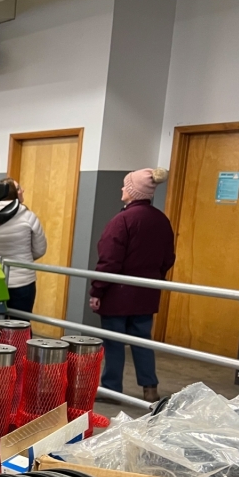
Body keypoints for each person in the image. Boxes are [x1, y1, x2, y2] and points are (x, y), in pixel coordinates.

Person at [89, 167, 176, 403]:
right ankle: (150, 388)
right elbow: (168, 258)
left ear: (132, 191)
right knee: (142, 341)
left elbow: (109, 260)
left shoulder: (122, 220)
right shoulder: (161, 220)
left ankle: (112, 389)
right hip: (147, 294)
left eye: (124, 186)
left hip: (117, 295)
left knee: (114, 343)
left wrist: (98, 290)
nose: (121, 190)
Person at [0, 178, 48, 312]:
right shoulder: (28, 216)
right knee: (21, 325)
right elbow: (40, 249)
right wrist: (22, 258)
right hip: (23, 281)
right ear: (15, 194)